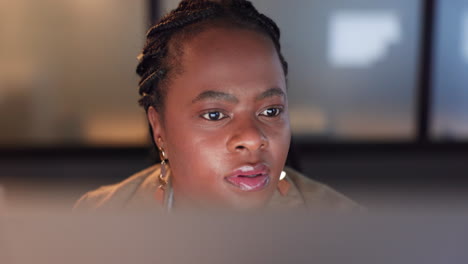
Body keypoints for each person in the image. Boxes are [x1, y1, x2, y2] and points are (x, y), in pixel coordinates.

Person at [74, 0, 360, 212]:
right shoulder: (98, 219)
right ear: (159, 127)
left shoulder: (348, 233)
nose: (252, 138)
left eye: (271, 111)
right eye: (215, 114)